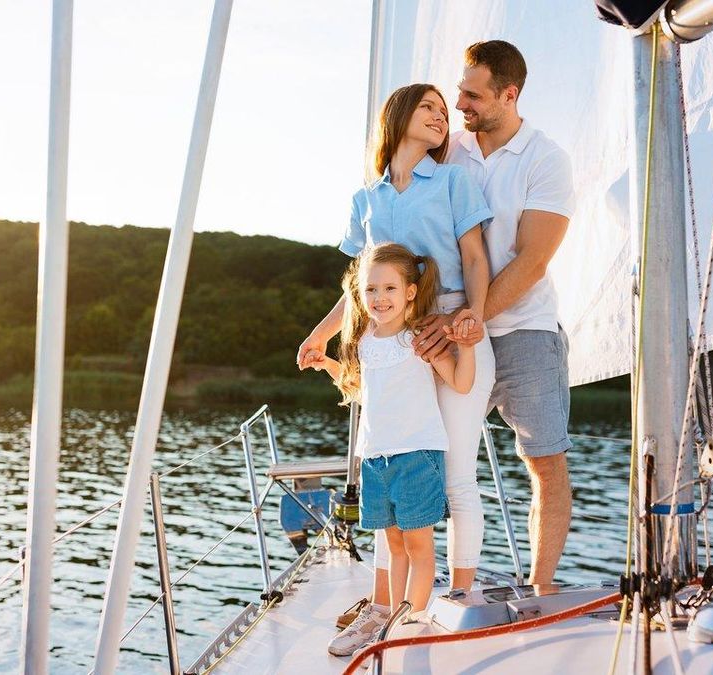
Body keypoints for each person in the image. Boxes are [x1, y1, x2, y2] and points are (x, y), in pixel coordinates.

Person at [296, 83, 494, 656]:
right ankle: (386, 608)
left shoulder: (455, 180)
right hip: (386, 344)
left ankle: (449, 603)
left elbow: (477, 258)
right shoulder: (368, 201)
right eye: (429, 107)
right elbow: (363, 286)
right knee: (385, 477)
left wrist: (471, 321)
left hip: (450, 331)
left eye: (443, 109)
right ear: (400, 117)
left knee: (452, 473)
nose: (441, 117)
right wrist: (323, 333)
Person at [443, 40, 577, 587]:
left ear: (509, 94)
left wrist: (470, 318)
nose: (460, 104)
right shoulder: (447, 149)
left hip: (525, 330)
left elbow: (533, 262)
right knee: (433, 459)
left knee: (545, 463)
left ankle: (541, 589)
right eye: (459, 91)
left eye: (472, 95)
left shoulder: (547, 159)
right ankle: (431, 583)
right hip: (452, 330)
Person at [306, 243, 475, 656]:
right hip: (376, 459)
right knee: (394, 545)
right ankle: (390, 619)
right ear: (359, 296)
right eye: (370, 291)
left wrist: (467, 346)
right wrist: (326, 364)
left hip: (416, 456)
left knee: (419, 548)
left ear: (410, 293)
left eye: (389, 289)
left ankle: (410, 624)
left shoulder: (419, 337)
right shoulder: (364, 339)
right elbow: (363, 390)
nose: (379, 298)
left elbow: (461, 383)